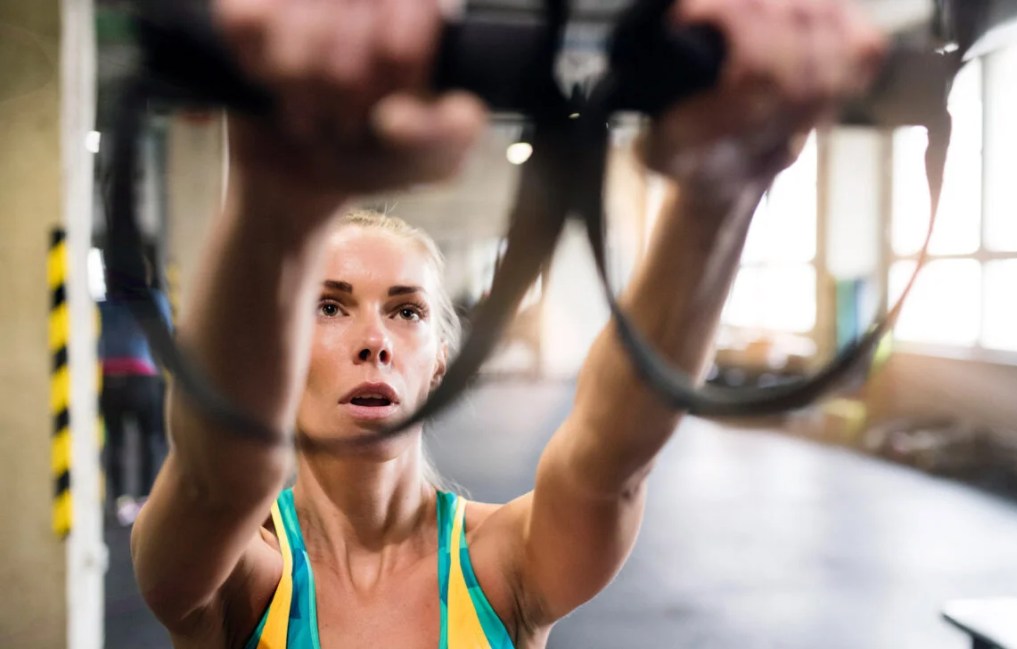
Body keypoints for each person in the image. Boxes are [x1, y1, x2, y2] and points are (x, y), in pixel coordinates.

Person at [131, 0, 884, 646]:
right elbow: (215, 479)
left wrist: (721, 190)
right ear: (281, 355)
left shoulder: (504, 562)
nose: (374, 338)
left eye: (406, 310)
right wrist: (281, 196)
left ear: (440, 357)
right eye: (328, 307)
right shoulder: (239, 578)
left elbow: (607, 456)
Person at [98, 267, 172, 526]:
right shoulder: (152, 300)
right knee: (151, 439)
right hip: (142, 377)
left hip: (109, 379)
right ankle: (145, 500)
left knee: (115, 441)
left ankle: (120, 502)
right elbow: (165, 336)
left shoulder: (103, 306)